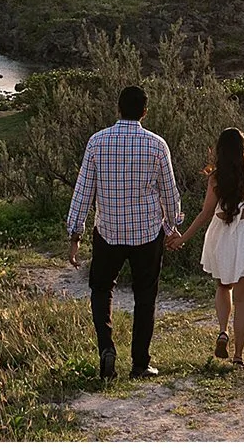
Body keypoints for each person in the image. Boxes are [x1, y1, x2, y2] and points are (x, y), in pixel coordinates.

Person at [66, 84, 184, 380]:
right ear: (145, 111)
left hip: (108, 233)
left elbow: (83, 191)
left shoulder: (97, 142)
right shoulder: (157, 145)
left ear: (118, 109)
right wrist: (173, 225)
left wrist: (75, 235)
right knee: (145, 296)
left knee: (101, 290)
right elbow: (169, 192)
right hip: (146, 233)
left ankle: (107, 349)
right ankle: (140, 364)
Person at [180, 126, 244, 366]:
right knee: (243, 301)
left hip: (222, 235)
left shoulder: (216, 177)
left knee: (223, 287)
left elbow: (205, 213)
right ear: (243, 150)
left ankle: (223, 331)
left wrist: (182, 238)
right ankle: (239, 357)